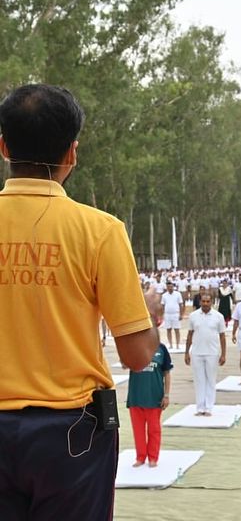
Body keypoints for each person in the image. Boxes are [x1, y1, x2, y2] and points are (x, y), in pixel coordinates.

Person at [0, 84, 159, 520]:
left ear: (3, 146)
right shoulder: (100, 231)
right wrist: (151, 311)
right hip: (71, 434)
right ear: (72, 153)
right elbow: (138, 354)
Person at [126, 341, 172, 467]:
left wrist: (166, 395)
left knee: (154, 429)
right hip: (136, 396)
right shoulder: (134, 347)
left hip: (154, 396)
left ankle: (153, 458)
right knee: (138, 430)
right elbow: (125, 365)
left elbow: (167, 373)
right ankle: (140, 457)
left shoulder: (161, 349)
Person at [185, 293, 226, 416]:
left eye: (208, 301)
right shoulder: (193, 316)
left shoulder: (218, 316)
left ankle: (208, 407)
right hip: (197, 352)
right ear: (200, 302)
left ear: (212, 302)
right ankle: (200, 407)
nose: (205, 304)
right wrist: (187, 352)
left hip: (212, 353)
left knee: (210, 380)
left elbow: (222, 336)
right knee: (199, 380)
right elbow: (189, 335)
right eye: (203, 301)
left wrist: (223, 354)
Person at [161, 280, 183, 348]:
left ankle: (177, 345)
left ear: (173, 287)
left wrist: (181, 314)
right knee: (168, 329)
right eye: (168, 287)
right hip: (167, 314)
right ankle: (170, 344)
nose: (170, 288)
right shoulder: (164, 295)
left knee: (177, 329)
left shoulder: (178, 294)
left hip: (175, 314)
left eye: (171, 286)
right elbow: (162, 305)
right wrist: (162, 315)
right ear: (167, 287)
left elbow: (180, 304)